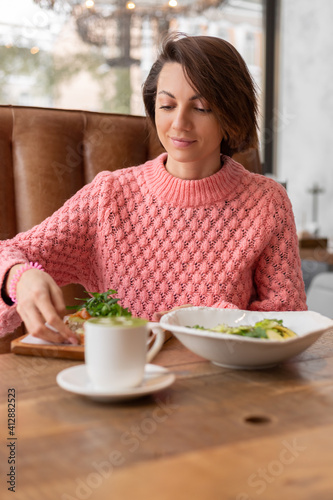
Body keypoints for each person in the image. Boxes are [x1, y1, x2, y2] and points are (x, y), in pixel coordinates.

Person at [0, 33, 307, 344]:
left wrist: (213, 322)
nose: (179, 123)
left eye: (200, 108)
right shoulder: (110, 196)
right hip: (120, 380)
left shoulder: (267, 202)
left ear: (230, 117)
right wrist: (18, 280)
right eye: (167, 105)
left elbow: (287, 320)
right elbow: (8, 254)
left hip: (224, 384)